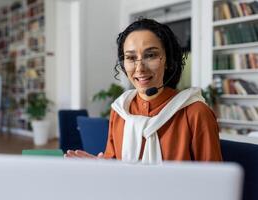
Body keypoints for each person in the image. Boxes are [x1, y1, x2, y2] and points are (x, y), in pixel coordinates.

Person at [65, 18, 222, 164]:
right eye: (131, 58)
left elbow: (215, 183)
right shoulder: (120, 110)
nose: (140, 68)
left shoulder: (195, 112)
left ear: (168, 60)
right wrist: (101, 166)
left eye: (151, 55)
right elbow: (113, 162)